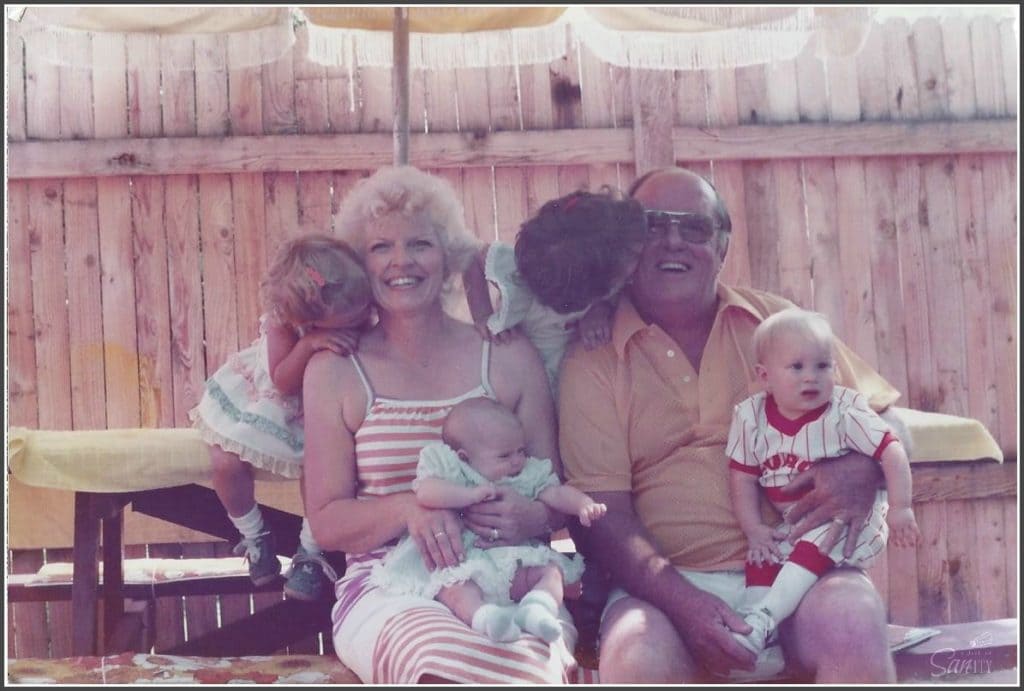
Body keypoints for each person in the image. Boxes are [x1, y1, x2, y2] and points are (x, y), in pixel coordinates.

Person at [558, 166, 904, 683]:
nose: (673, 241)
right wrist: (686, 604)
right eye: (652, 226)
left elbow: (889, 418)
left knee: (853, 619)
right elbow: (604, 520)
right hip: (664, 592)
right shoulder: (593, 358)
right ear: (625, 246)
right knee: (635, 654)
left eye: (694, 228)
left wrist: (863, 470)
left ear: (721, 248)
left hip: (801, 573)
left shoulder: (776, 323)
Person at [302, 165, 582, 683]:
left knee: (524, 660)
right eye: (380, 247)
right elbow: (325, 522)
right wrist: (412, 508)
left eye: (421, 245)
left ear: (449, 255)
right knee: (437, 660)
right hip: (393, 587)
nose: (401, 261)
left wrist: (533, 517)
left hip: (514, 580)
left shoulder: (506, 356)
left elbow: (553, 496)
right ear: (359, 264)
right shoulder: (336, 368)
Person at [726, 307, 921, 675]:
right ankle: (757, 635)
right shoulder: (751, 418)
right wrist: (753, 529)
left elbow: (892, 450)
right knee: (764, 553)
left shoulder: (844, 411)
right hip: (796, 518)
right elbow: (742, 479)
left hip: (844, 519)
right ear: (764, 377)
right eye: (797, 368)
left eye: (823, 366)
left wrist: (901, 508)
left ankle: (764, 617)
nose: (811, 377)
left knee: (808, 552)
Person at [189, 233, 372, 601]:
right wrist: (308, 345)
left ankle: (311, 551)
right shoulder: (284, 323)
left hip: (327, 400)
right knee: (224, 462)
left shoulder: (354, 299)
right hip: (278, 398)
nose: (355, 325)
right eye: (343, 324)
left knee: (322, 469)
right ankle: (254, 537)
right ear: (310, 318)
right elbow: (284, 382)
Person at [369, 396, 606, 643]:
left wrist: (582, 504)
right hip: (466, 559)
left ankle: (538, 609)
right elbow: (426, 491)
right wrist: (467, 495)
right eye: (504, 456)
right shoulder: (456, 470)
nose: (517, 460)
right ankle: (485, 618)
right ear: (464, 456)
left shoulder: (526, 473)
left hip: (514, 559)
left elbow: (554, 492)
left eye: (520, 451)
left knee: (550, 573)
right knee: (454, 589)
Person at [461, 188, 646, 395]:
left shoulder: (606, 262)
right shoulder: (518, 278)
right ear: (593, 288)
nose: (638, 262)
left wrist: (599, 311)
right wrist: (483, 317)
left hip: (576, 378)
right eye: (631, 258)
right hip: (530, 382)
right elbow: (471, 255)